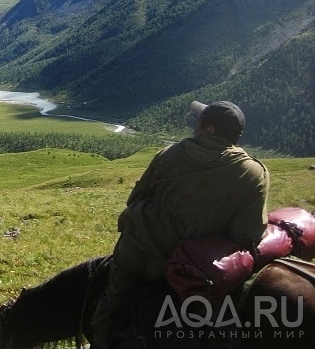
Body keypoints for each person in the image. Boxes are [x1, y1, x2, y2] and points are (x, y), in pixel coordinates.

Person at [90, 100, 269, 348]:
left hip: (139, 251)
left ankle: (101, 342)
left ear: (209, 130)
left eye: (201, 120)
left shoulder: (169, 153)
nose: (195, 124)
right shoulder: (253, 172)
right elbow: (246, 233)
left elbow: (136, 199)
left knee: (113, 303)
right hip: (191, 267)